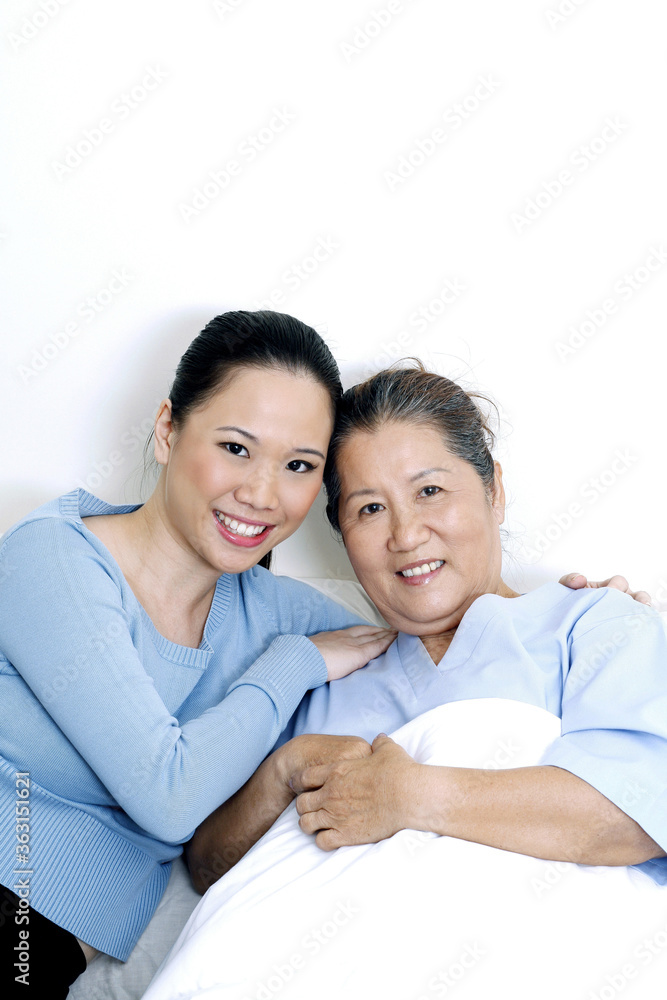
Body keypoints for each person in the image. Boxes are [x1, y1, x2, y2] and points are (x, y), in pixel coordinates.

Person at [0, 311, 397, 998]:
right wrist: (294, 664)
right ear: (166, 429)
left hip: (46, 951)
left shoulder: (275, 611)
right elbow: (168, 794)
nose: (262, 494)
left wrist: (579, 615)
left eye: (299, 465)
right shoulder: (54, 558)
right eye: (236, 448)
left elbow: (442, 646)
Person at [186, 362, 667, 895]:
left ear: (494, 490)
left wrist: (410, 797)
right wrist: (282, 773)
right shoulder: (325, 683)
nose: (407, 535)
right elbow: (208, 868)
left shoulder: (592, 625)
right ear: (343, 538)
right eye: (370, 508)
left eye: (430, 491)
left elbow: (638, 814)